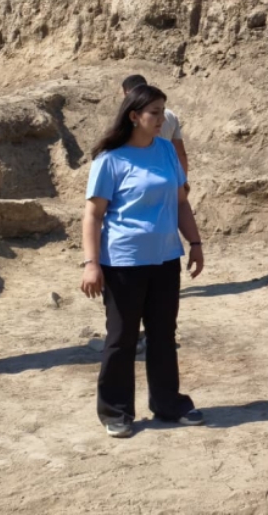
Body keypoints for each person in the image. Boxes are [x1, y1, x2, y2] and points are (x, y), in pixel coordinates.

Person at [81, 84, 206, 438]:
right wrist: (91, 264)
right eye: (154, 112)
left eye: (163, 111)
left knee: (164, 335)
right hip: (122, 263)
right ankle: (116, 412)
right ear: (134, 116)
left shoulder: (166, 151)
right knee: (121, 338)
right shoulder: (110, 160)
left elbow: (181, 202)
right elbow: (92, 216)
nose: (161, 118)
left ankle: (169, 404)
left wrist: (194, 243)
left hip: (166, 259)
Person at [121, 75, 189, 180]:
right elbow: (180, 154)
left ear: (127, 94)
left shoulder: (130, 119)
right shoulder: (170, 115)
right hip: (166, 176)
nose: (161, 119)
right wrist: (183, 183)